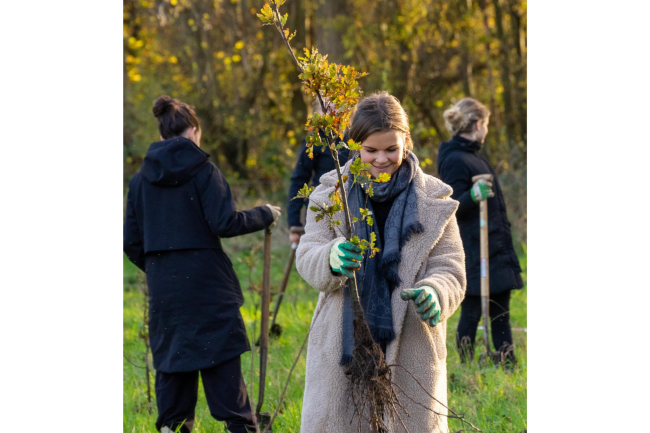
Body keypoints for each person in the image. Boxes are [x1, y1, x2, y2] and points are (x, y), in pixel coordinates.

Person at [295, 91, 466, 432]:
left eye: (391, 149)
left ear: (407, 142)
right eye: (370, 150)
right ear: (354, 147)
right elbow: (308, 251)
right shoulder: (331, 194)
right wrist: (330, 257)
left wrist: (435, 292)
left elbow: (450, 266)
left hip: (412, 346)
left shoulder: (434, 199)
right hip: (344, 343)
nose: (382, 159)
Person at [123, 95, 281, 433]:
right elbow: (224, 223)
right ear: (195, 131)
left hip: (165, 289)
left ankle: (172, 426)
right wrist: (264, 214)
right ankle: (240, 426)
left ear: (162, 135)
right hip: (208, 286)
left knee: (173, 361)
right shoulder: (204, 171)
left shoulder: (139, 182)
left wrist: (159, 267)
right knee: (220, 360)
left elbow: (131, 243)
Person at [437, 97, 523, 367]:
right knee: (472, 310)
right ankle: (465, 367)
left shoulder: (473, 155)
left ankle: (506, 364)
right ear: (476, 124)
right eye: (485, 124)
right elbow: (448, 206)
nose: (486, 130)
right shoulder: (455, 159)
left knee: (500, 310)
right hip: (475, 248)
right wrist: (472, 196)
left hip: (494, 244)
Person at [287, 98, 350, 245]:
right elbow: (299, 180)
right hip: (322, 212)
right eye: (327, 109)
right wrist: (294, 223)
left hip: (351, 209)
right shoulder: (314, 141)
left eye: (337, 108)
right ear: (318, 113)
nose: (333, 113)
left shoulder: (355, 139)